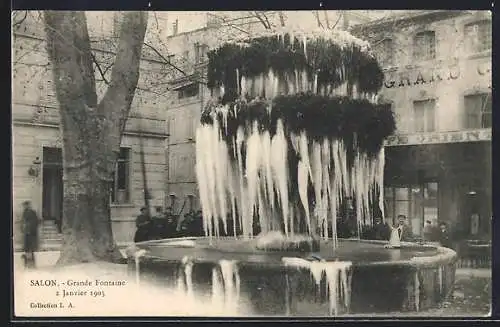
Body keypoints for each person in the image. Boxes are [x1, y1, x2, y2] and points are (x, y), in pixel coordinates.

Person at [22, 201, 39, 268]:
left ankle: (32, 263)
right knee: (26, 247)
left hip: (31, 232)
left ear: (28, 205)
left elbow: (36, 221)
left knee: (31, 248)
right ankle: (26, 262)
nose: (25, 206)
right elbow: (23, 221)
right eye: (25, 205)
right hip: (27, 232)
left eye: (26, 205)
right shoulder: (25, 212)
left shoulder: (32, 212)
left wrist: (30, 227)